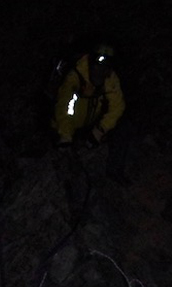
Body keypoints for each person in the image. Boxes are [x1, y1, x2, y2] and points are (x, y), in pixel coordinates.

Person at [52, 43, 130, 183]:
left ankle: (114, 172)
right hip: (65, 127)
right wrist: (66, 137)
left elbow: (117, 106)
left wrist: (99, 131)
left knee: (124, 128)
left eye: (105, 66)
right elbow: (63, 108)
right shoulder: (75, 76)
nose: (100, 71)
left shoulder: (110, 78)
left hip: (89, 125)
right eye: (97, 65)